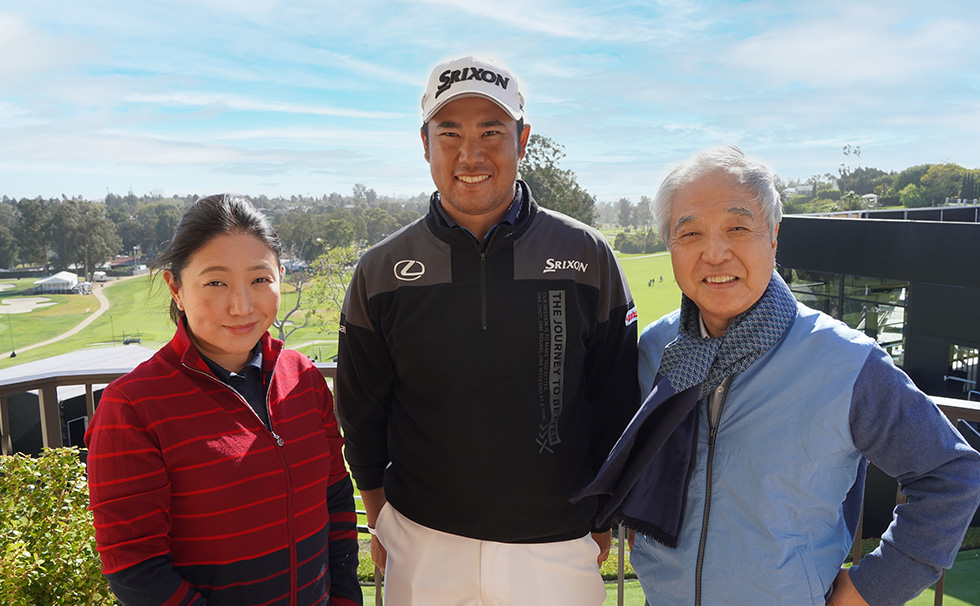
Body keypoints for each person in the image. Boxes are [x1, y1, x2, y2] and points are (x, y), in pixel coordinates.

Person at [576, 146, 980, 605]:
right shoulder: (655, 349)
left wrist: (871, 589)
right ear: (671, 245)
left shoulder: (845, 361)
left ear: (773, 235)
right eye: (689, 233)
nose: (714, 253)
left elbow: (951, 474)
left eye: (737, 228)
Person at [336, 56, 639, 606]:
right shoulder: (381, 269)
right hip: (422, 541)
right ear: (425, 144)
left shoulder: (587, 255)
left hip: (557, 545)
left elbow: (615, 398)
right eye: (449, 133)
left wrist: (601, 517)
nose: (470, 155)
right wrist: (380, 515)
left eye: (491, 132)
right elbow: (361, 411)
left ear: (522, 140)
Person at [86, 194, 361, 606]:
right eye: (216, 283)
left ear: (280, 277)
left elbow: (335, 500)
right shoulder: (133, 407)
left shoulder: (303, 376)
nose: (241, 306)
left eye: (260, 279)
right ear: (176, 288)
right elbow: (136, 568)